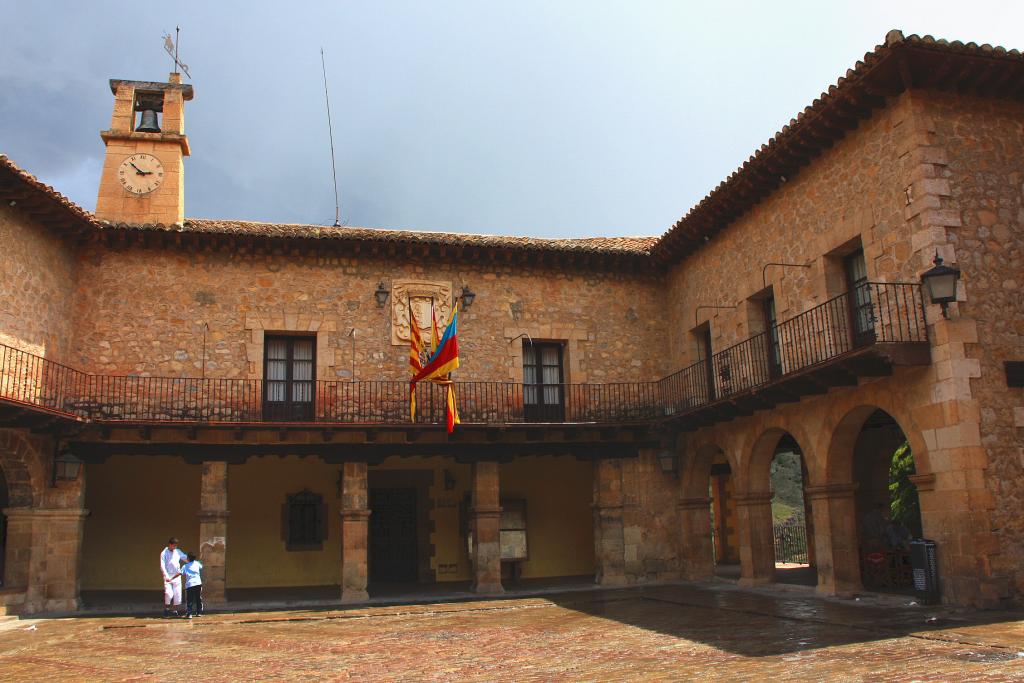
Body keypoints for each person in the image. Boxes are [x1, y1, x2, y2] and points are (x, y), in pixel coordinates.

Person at [160, 537, 187, 618]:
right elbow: (162, 566)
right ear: (170, 544)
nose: (175, 547)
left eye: (176, 546)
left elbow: (185, 557)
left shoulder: (177, 551)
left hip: (176, 575)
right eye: (173, 546)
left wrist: (193, 562)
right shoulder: (164, 553)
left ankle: (174, 611)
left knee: (177, 594)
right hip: (168, 575)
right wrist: (166, 576)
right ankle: (167, 610)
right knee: (168, 593)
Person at [180, 552, 204, 618]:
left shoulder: (185, 566)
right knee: (198, 598)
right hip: (198, 583)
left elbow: (180, 573)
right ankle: (199, 612)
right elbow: (201, 567)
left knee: (189, 599)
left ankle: (189, 614)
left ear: (188, 558)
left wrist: (171, 578)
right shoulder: (197, 563)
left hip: (190, 585)